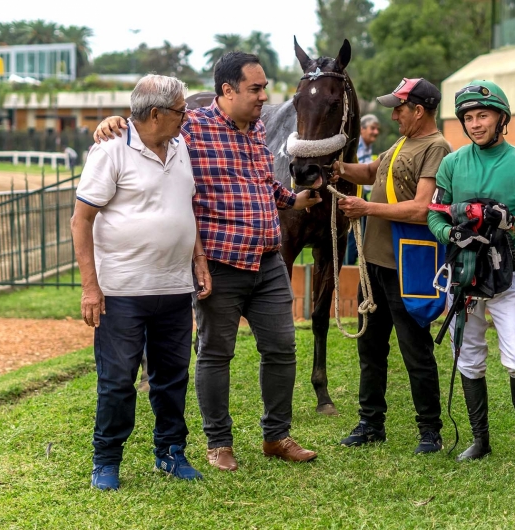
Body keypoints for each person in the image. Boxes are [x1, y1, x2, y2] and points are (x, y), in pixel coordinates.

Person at [93, 52, 322, 471]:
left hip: (268, 260)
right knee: (216, 352)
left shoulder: (256, 129)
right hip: (219, 261)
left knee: (282, 348)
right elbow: (148, 124)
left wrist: (295, 199)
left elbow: (263, 183)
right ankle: (219, 443)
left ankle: (276, 435)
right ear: (227, 90)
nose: (263, 96)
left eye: (264, 87)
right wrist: (114, 123)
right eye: (255, 88)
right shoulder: (191, 127)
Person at [73, 74, 212, 490]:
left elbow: (184, 210)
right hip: (121, 292)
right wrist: (90, 287)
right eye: (181, 111)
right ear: (156, 113)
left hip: (173, 287)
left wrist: (199, 259)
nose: (186, 118)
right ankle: (106, 460)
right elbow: (82, 220)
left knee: (172, 378)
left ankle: (170, 453)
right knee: (117, 382)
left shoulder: (181, 146)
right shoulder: (111, 149)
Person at [427, 80, 515, 467]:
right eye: (468, 117)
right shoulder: (451, 164)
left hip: (503, 276)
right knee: (468, 357)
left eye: (483, 115)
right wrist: (451, 233)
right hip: (462, 276)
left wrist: (510, 224)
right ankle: (480, 440)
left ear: (502, 118)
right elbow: (435, 212)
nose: (476, 123)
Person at [331, 78, 450, 453]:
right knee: (370, 349)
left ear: (419, 110)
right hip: (375, 265)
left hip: (407, 266)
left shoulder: (437, 148)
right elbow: (372, 173)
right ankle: (370, 423)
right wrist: (340, 168)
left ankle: (429, 430)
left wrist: (366, 208)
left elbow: (421, 208)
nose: (394, 115)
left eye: (399, 108)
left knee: (415, 351)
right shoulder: (401, 142)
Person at [344, 114, 380, 265]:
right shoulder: (356, 145)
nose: (375, 132)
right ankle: (347, 269)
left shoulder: (367, 146)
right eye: (372, 128)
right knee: (354, 236)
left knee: (361, 235)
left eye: (377, 129)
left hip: (361, 195)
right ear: (362, 130)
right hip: (351, 195)